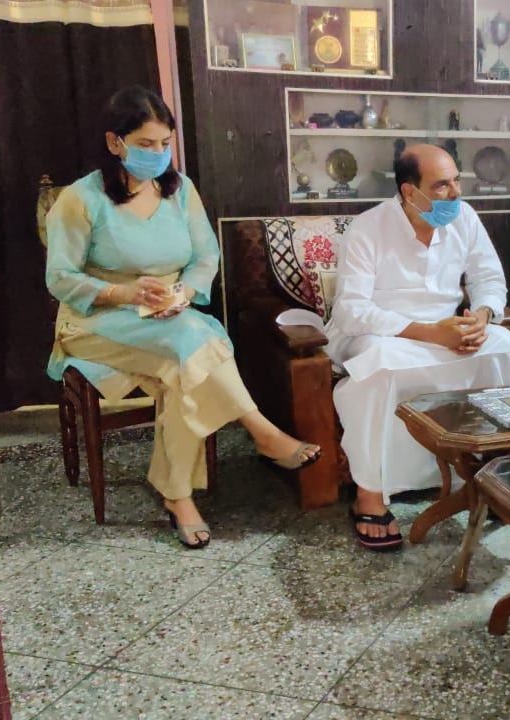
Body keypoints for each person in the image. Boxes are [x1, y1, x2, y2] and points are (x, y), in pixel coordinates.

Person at [45, 86, 320, 549]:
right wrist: (123, 291)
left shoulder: (180, 191)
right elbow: (60, 278)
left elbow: (205, 256)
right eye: (145, 144)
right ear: (115, 142)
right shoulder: (81, 199)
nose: (158, 154)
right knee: (195, 335)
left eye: (164, 144)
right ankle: (263, 432)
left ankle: (179, 497)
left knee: (183, 363)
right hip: (97, 322)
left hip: (169, 319)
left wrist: (184, 293)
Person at [326, 143, 510, 551]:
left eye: (457, 180)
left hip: (445, 330)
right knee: (381, 366)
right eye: (442, 185)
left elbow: (489, 280)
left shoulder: (464, 217)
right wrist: (430, 333)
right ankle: (369, 493)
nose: (456, 193)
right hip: (378, 333)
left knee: (501, 353)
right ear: (410, 191)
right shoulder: (368, 228)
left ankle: (501, 478)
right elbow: (351, 311)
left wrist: (481, 317)